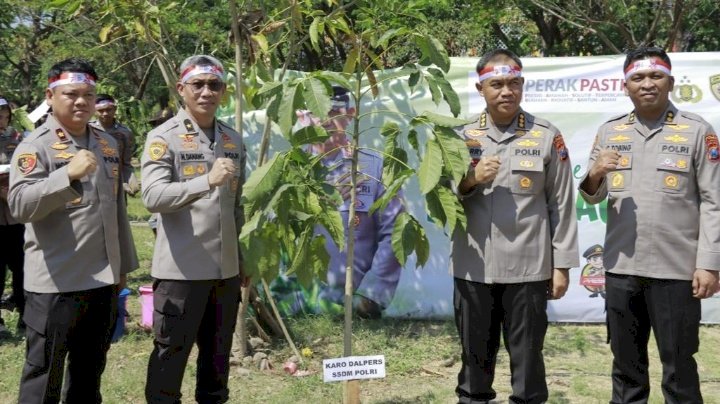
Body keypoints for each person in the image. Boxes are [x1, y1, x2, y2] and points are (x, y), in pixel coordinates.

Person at [578, 46, 720, 403]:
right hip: (622, 269)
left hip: (676, 269)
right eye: (637, 78)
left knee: (679, 370)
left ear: (670, 82)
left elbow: (714, 201)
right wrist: (595, 172)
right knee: (627, 370)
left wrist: (709, 263)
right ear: (625, 86)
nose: (647, 84)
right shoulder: (610, 131)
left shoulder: (697, 131)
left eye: (655, 76)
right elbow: (592, 197)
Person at [451, 49, 579, 403]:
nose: (506, 91)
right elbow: (441, 197)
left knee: (528, 364)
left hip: (528, 269)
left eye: (513, 83)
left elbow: (562, 203)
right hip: (473, 267)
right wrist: (470, 180)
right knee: (474, 362)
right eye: (497, 84)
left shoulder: (545, 136)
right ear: (481, 89)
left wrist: (562, 265)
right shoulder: (460, 137)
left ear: (522, 85)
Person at [7, 57, 138, 403]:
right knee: (43, 376)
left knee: (88, 374)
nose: (81, 101)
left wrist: (122, 265)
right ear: (50, 96)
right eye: (71, 94)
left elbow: (117, 211)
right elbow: (19, 205)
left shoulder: (107, 144)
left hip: (101, 281)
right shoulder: (34, 146)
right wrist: (66, 175)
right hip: (55, 284)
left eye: (88, 95)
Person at [141, 55, 245, 404]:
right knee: (170, 358)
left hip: (224, 272)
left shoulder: (232, 139)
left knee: (217, 363)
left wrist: (242, 261)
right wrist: (206, 181)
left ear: (224, 91)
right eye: (197, 85)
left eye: (214, 85)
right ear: (181, 89)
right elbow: (153, 196)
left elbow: (237, 208)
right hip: (181, 272)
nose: (206, 92)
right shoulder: (163, 138)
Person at [287, 85, 405, 319]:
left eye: (334, 112)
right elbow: (278, 231)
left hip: (355, 304)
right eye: (316, 112)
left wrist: (371, 295)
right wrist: (320, 201)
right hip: (299, 303)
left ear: (350, 114)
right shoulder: (290, 169)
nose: (326, 120)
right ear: (302, 117)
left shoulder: (375, 166)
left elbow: (395, 231)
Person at [0, 96, 25, 336]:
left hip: (17, 214)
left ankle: (25, 317)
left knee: (22, 267)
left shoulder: (20, 139)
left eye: (3, 112)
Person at [91, 93, 138, 195]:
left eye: (108, 110)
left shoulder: (124, 132)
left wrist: (129, 178)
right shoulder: (88, 130)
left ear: (115, 109)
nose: (105, 114)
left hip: (117, 180)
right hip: (94, 181)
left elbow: (126, 162)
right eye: (101, 111)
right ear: (94, 111)